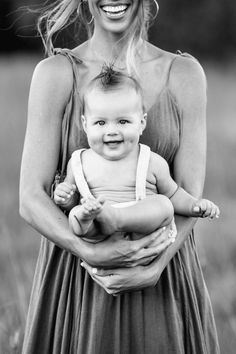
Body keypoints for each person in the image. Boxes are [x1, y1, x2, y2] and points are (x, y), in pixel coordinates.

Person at [20, 0, 220, 352]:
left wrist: (152, 267)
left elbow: (187, 195)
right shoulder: (55, 74)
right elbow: (30, 198)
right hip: (77, 280)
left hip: (163, 277)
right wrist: (90, 253)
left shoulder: (185, 75)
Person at [53, 67, 220, 242]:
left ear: (141, 123)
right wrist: (66, 197)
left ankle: (116, 218)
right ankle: (91, 219)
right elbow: (72, 198)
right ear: (85, 125)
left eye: (123, 121)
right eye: (100, 122)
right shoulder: (79, 162)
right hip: (96, 227)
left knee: (164, 204)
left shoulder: (151, 162)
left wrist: (195, 205)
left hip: (140, 226)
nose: (111, 131)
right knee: (75, 214)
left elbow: (173, 194)